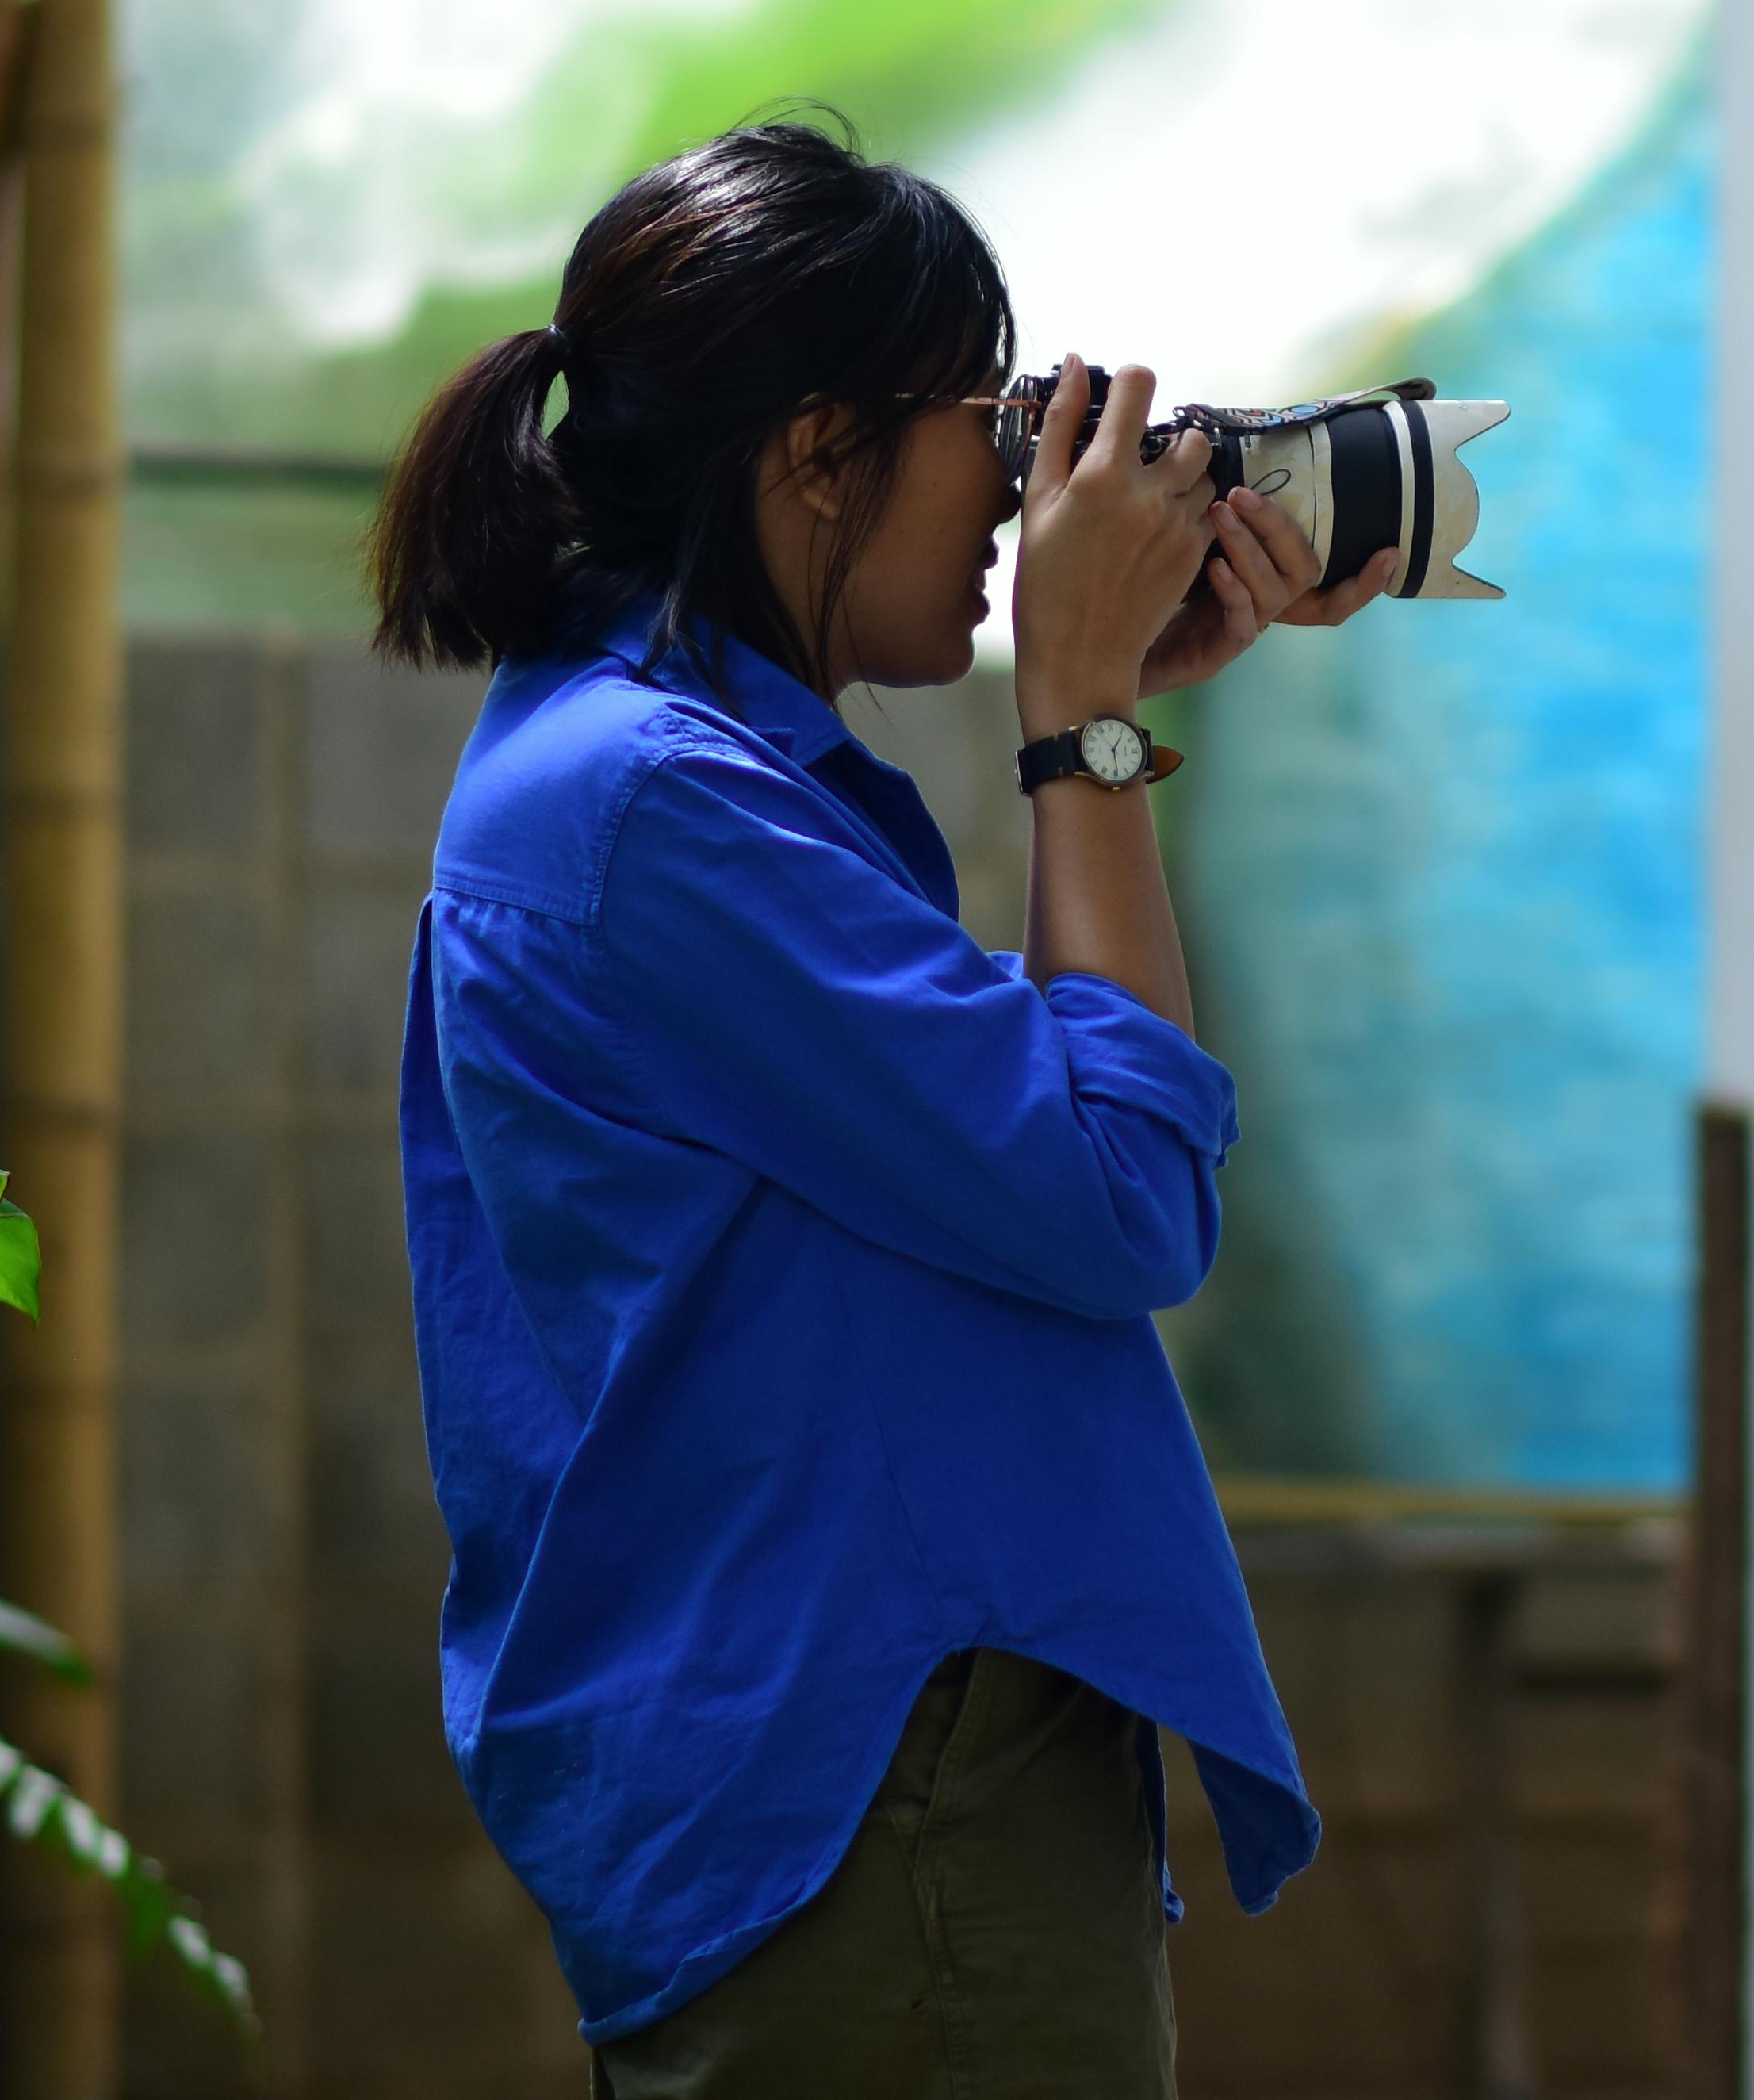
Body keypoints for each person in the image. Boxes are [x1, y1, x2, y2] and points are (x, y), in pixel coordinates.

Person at [370, 121, 1396, 2096]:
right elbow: (1120, 1193)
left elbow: (1058, 1158)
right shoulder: (659, 809)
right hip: (883, 1801)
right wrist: (1082, 722)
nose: (1023, 490)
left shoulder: (658, 772)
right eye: (986, 421)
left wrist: (1107, 706)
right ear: (819, 450)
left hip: (859, 1774)